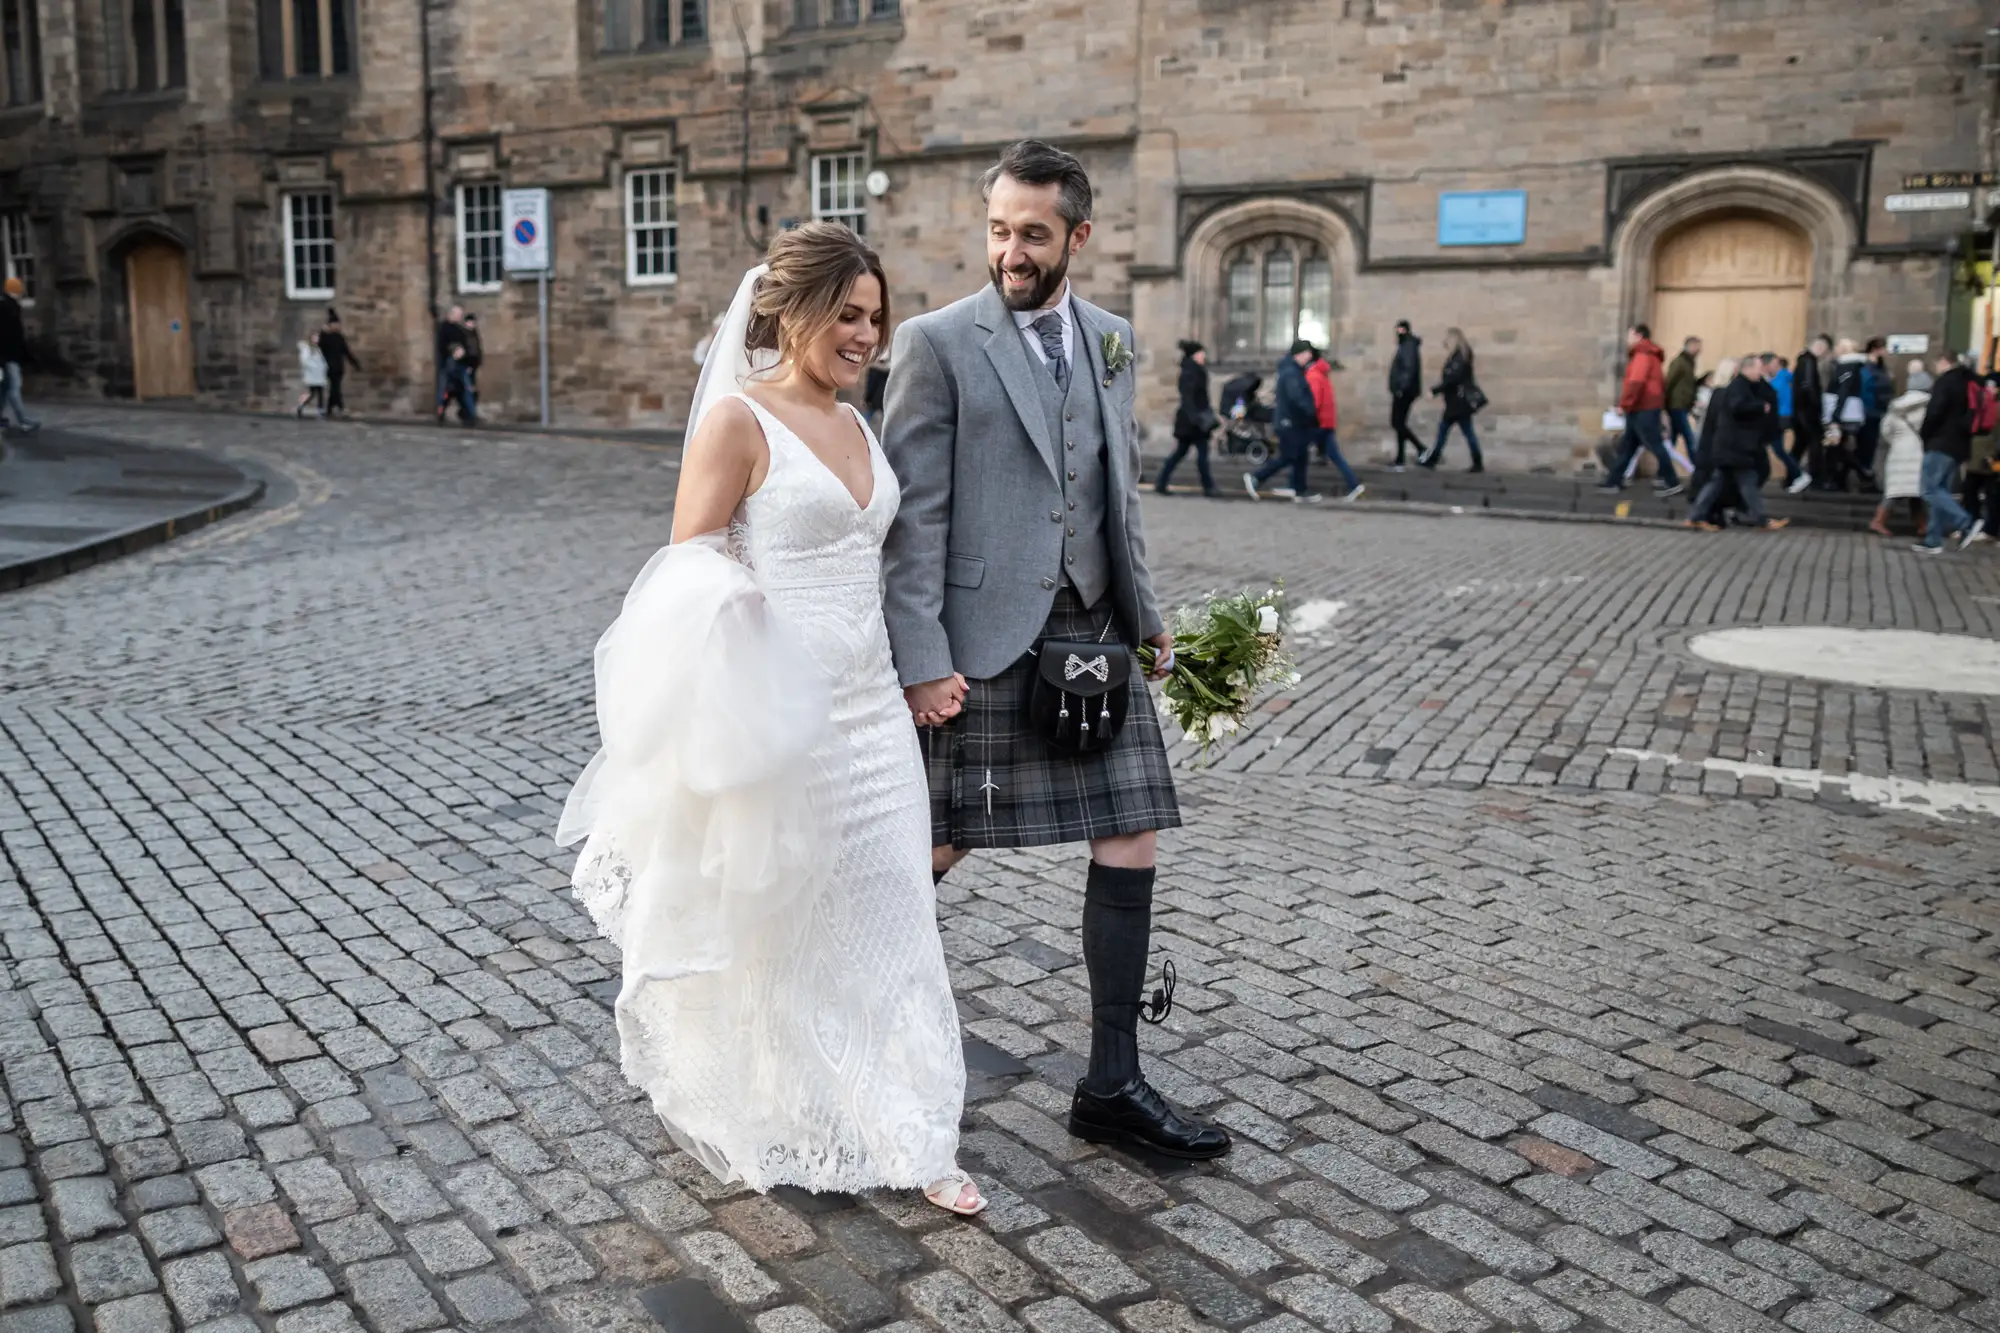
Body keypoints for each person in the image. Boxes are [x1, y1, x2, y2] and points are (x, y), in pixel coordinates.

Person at [556, 220, 982, 1216]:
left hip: (873, 714)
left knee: (895, 912)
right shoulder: (739, 422)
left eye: (874, 317)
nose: (864, 335)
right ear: (793, 311)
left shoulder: (861, 423)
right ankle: (786, 1102)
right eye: (847, 314)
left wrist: (924, 671)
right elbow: (686, 562)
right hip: (785, 720)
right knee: (784, 923)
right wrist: (737, 619)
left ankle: (920, 1131)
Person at [881, 140, 1229, 1162]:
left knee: (1130, 833)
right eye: (998, 229)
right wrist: (919, 659)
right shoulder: (937, 342)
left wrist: (1149, 617)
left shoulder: (1112, 339)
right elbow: (913, 524)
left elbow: (1117, 496)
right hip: (980, 645)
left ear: (1077, 235)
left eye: (1032, 232)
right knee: (927, 850)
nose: (1010, 250)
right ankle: (836, 1029)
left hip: (1091, 631)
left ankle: (1111, 1082)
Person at [1685, 354, 1787, 532]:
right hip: (1734, 446)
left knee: (1718, 483)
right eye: (1757, 368)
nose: (1760, 372)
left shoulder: (1742, 386)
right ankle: (1762, 520)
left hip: (1731, 446)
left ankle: (1695, 516)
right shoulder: (1737, 387)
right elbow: (1737, 407)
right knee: (1746, 482)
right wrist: (1760, 407)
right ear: (1746, 369)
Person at [1598, 324, 1680, 494]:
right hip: (1644, 407)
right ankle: (1614, 480)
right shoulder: (1651, 355)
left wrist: (1624, 405)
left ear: (1638, 335)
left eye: (1630, 335)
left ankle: (1672, 482)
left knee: (1655, 444)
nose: (1628, 339)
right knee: (1629, 446)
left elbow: (1636, 382)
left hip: (1643, 407)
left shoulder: (1642, 354)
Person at [1912, 351, 1976, 554]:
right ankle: (1933, 539)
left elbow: (1934, 412)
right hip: (1961, 444)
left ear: (1943, 362)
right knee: (1941, 492)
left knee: (1929, 490)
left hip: (1941, 442)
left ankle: (1964, 521)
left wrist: (1925, 435)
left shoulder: (1946, 382)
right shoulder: (1970, 382)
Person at [1245, 340, 1323, 502]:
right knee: (1289, 455)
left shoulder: (1294, 371)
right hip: (1289, 421)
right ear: (1298, 354)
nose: (1309, 357)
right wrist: (1309, 411)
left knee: (1301, 455)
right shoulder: (1291, 373)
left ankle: (1300, 490)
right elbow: (1296, 398)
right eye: (1307, 353)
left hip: (1295, 421)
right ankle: (1257, 477)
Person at [1156, 340, 1219, 495]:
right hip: (1192, 422)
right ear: (1194, 355)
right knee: (1196, 454)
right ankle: (1208, 487)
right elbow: (1188, 399)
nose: (1204, 356)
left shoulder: (1195, 371)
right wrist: (1197, 419)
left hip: (1194, 420)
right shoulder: (1191, 373)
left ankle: (1162, 482)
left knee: (1182, 453)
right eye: (1201, 353)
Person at [1420, 327, 1484, 471]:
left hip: (1458, 403)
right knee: (1453, 431)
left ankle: (1434, 460)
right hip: (1456, 402)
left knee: (1453, 431)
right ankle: (1476, 462)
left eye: (1448, 340)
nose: (1446, 342)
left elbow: (1452, 379)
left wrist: (1435, 391)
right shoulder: (1460, 356)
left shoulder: (1459, 357)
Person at [1871, 378, 1928, 537]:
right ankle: (1922, 525)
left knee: (1895, 489)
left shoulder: (1896, 406)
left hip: (1898, 450)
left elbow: (1886, 429)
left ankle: (1879, 520)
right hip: (1919, 450)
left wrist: (1896, 440)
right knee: (1916, 491)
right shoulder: (1927, 407)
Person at [1307, 347, 1363, 500]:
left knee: (1295, 452)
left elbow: (1315, 401)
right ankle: (1354, 485)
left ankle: (1295, 486)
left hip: (1318, 422)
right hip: (1326, 422)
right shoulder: (1321, 373)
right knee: (1336, 456)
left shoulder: (1313, 375)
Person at [1825, 338, 1872, 492]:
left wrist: (1835, 416)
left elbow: (1843, 391)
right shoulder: (1851, 366)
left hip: (1845, 412)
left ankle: (1862, 475)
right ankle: (1841, 479)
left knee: (1838, 447)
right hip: (1846, 411)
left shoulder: (1847, 367)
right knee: (1841, 447)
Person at [0, 276, 37, 434]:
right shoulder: (9, 307)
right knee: (14, 387)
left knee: (5, 388)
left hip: (6, 355)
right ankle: (23, 421)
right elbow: (13, 335)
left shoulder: (7, 305)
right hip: (9, 355)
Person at [1792, 334, 1828, 492]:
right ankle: (1816, 478)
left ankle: (1791, 474)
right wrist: (1816, 404)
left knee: (1800, 445)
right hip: (1807, 411)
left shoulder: (1802, 360)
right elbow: (1809, 386)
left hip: (1801, 410)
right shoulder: (1808, 361)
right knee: (1813, 444)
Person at [1387, 319, 1423, 468]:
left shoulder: (1408, 346)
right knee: (1399, 423)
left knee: (1397, 422)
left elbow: (1409, 369)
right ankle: (1400, 458)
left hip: (1404, 391)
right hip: (1404, 390)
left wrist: (1401, 388)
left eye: (1400, 330)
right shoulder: (1406, 345)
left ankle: (1421, 448)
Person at [1664, 336, 1702, 463]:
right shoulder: (1680, 362)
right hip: (1677, 405)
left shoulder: (1689, 363)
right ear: (1690, 346)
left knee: (1672, 440)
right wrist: (1665, 403)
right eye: (1697, 346)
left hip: (1683, 405)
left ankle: (1663, 472)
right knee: (1689, 437)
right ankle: (1697, 467)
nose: (1699, 350)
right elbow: (1669, 381)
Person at [318, 311, 360, 418]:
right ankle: (339, 407)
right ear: (330, 325)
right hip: (329, 366)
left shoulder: (340, 337)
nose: (337, 326)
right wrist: (323, 332)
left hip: (339, 366)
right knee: (335, 387)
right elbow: (320, 346)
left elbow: (346, 352)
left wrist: (355, 364)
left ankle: (330, 409)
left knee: (335, 387)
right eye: (335, 324)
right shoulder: (326, 337)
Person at [435, 304, 467, 423]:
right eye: (458, 315)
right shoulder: (445, 328)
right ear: (452, 314)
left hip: (458, 363)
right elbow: (442, 346)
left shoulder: (459, 329)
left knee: (458, 389)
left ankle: (464, 412)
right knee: (446, 389)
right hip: (448, 363)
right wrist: (453, 351)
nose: (460, 317)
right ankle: (441, 412)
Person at [439, 345, 477, 425]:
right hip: (453, 387)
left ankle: (468, 417)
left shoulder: (458, 362)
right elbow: (452, 373)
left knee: (461, 402)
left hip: (456, 387)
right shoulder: (451, 361)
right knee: (447, 402)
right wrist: (464, 371)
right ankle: (468, 417)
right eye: (460, 351)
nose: (462, 352)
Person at [295, 332, 328, 418]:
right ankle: (301, 405)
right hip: (311, 375)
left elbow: (321, 360)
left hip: (318, 375)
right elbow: (305, 361)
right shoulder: (307, 349)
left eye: (317, 338)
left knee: (319, 392)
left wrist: (324, 367)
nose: (316, 339)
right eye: (314, 338)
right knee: (312, 393)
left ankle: (320, 410)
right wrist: (314, 367)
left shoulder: (318, 349)